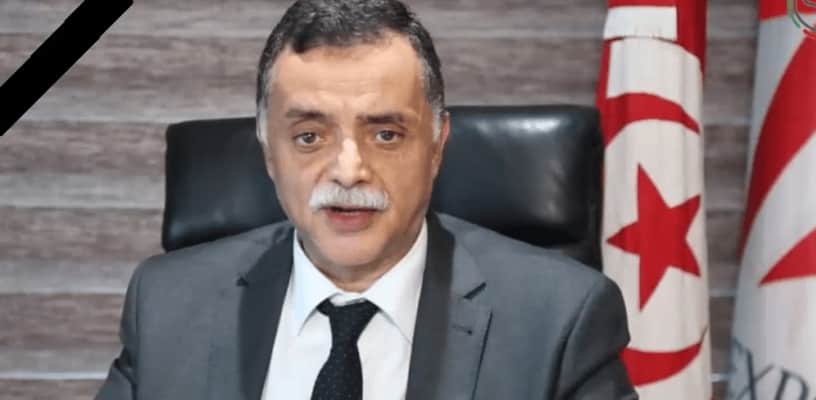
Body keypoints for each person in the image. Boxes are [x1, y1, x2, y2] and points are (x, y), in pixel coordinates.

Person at [96, 0, 637, 399]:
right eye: (310, 136)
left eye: (386, 134)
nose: (349, 170)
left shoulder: (559, 321)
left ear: (437, 146)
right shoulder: (167, 305)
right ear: (268, 152)